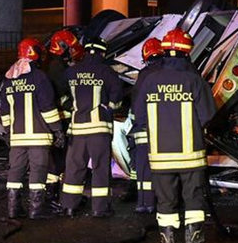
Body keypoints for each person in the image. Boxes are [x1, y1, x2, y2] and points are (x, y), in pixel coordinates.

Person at [131, 28, 217, 243]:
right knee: (194, 202)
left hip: (160, 156)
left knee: (165, 202)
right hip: (191, 155)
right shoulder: (193, 80)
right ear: (187, 53)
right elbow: (208, 114)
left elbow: (139, 115)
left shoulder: (149, 80)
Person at [0, 38, 65, 219]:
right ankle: (36, 210)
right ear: (36, 54)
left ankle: (13, 209)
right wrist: (57, 130)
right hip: (38, 136)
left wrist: (8, 131)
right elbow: (47, 107)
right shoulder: (39, 77)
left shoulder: (9, 79)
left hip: (17, 137)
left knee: (16, 170)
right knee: (38, 170)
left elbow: (4, 110)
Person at [61, 37, 124, 217]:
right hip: (99, 129)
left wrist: (72, 108)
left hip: (77, 130)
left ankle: (69, 206)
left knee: (74, 168)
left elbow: (61, 96)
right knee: (100, 168)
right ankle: (100, 208)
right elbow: (117, 98)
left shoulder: (71, 71)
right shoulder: (106, 72)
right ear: (103, 52)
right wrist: (109, 108)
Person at [43, 29, 83, 203]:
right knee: (61, 158)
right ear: (63, 47)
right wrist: (73, 106)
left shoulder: (55, 64)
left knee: (59, 159)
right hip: (60, 119)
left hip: (58, 119)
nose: (73, 51)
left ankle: (54, 193)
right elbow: (60, 94)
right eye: (71, 48)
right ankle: (55, 195)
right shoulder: (57, 68)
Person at [128, 38, 164, 214]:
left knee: (143, 167)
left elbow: (137, 102)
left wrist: (137, 123)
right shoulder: (170, 72)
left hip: (144, 129)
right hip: (166, 129)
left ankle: (144, 202)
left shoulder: (145, 75)